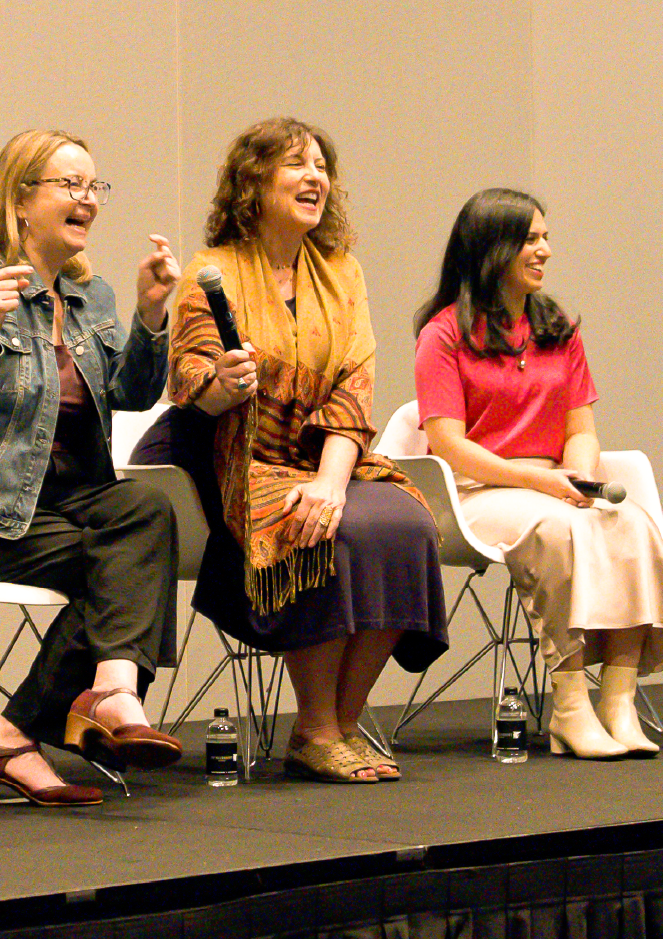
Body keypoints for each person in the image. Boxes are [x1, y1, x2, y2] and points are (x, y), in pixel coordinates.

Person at [135, 117, 447, 784]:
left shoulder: (342, 272)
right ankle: (316, 726)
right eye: (296, 165)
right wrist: (222, 383)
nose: (315, 178)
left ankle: (337, 724)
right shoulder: (214, 270)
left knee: (405, 522)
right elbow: (189, 379)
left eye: (321, 166)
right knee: (323, 528)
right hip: (228, 453)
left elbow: (354, 386)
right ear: (254, 182)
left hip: (321, 453)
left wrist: (332, 482)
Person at [0, 129, 184, 806]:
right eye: (70, 184)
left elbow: (133, 395)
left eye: (94, 186)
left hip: (60, 506)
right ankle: (28, 732)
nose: (89, 199)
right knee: (121, 576)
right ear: (20, 199)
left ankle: (95, 698)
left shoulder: (91, 295)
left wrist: (150, 316)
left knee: (147, 512)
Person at [414, 188, 663, 760]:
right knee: (558, 529)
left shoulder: (558, 327)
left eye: (546, 238)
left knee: (630, 524)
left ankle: (618, 702)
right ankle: (569, 708)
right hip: (478, 490)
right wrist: (542, 485)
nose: (544, 250)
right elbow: (448, 445)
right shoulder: (442, 334)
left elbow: (581, 429)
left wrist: (579, 478)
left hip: (554, 481)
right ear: (492, 247)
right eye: (530, 239)